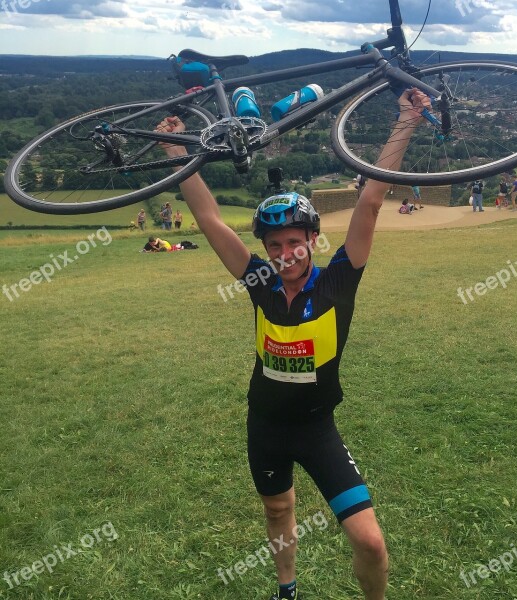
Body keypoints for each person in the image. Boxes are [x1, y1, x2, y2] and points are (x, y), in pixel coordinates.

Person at [157, 87, 431, 600]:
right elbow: (211, 220)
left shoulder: (336, 281)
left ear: (311, 241)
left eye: (295, 242)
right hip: (264, 422)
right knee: (278, 509)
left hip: (315, 427)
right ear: (266, 249)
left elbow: (370, 201)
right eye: (275, 245)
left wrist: (406, 121)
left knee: (370, 542)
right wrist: (177, 154)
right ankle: (288, 590)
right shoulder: (258, 281)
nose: (286, 253)